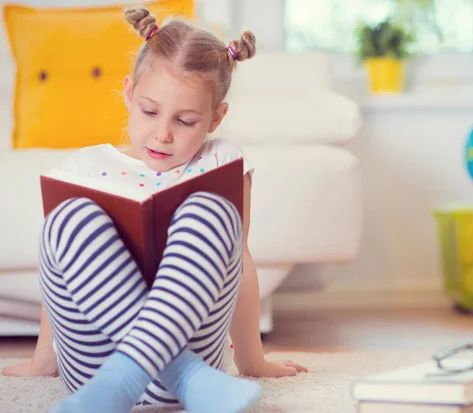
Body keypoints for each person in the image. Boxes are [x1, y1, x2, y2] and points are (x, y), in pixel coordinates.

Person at [2, 7, 307, 413]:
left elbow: (238, 261)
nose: (162, 134)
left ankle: (163, 373)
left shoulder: (222, 161)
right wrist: (45, 360)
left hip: (195, 350)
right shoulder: (86, 165)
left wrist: (254, 361)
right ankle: (176, 375)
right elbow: (59, 277)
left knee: (211, 211)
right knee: (65, 220)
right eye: (149, 112)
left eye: (185, 120)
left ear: (216, 118)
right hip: (95, 366)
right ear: (128, 93)